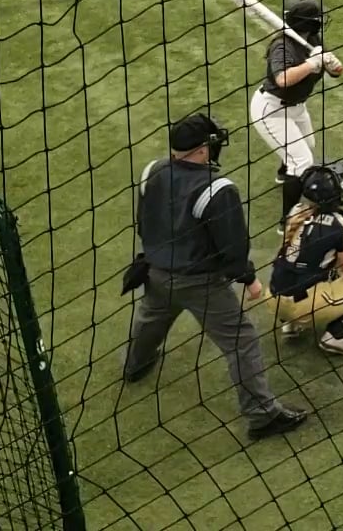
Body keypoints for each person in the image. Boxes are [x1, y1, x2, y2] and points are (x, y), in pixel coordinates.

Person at [122, 112, 310, 440]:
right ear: (202, 149)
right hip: (200, 284)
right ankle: (262, 416)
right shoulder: (218, 189)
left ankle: (134, 366)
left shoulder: (152, 171)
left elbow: (144, 222)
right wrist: (249, 279)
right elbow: (232, 247)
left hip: (156, 272)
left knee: (150, 318)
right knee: (242, 341)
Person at [270, 162, 343, 355]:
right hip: (303, 307)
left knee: (302, 268)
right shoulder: (341, 225)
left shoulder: (296, 211)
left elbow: (298, 250)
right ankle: (337, 336)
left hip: (274, 298)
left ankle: (290, 324)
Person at [250, 0, 343, 221]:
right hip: (271, 110)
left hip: (297, 108)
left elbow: (336, 71)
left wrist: (333, 65)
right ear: (306, 22)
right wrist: (312, 64)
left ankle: (284, 174)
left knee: (308, 146)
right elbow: (282, 79)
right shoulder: (282, 47)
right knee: (302, 162)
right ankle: (288, 221)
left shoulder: (313, 38)